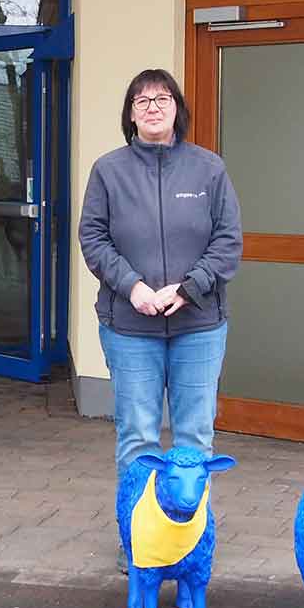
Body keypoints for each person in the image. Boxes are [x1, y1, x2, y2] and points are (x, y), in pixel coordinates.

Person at [78, 69, 242, 553]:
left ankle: (190, 545)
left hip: (199, 325)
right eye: (142, 99)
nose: (153, 106)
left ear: (178, 109)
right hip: (130, 326)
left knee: (194, 438)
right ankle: (140, 544)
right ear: (130, 113)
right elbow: (93, 238)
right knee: (138, 440)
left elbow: (228, 241)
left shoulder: (209, 169)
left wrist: (189, 289)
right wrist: (132, 288)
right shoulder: (109, 170)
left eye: (163, 97)